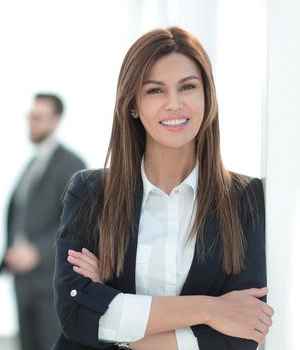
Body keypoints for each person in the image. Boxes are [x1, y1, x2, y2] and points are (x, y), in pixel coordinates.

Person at [53, 27, 273, 350]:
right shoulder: (90, 192)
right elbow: (75, 313)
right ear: (132, 105)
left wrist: (113, 314)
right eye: (155, 91)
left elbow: (243, 331)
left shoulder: (246, 200)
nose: (174, 103)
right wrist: (211, 309)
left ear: (207, 97)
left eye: (188, 87)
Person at [0, 93, 86, 350]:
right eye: (30, 117)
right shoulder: (31, 165)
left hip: (51, 282)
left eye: (39, 118)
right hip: (24, 281)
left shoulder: (71, 164)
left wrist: (37, 251)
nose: (32, 124)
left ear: (56, 120)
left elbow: (77, 223)